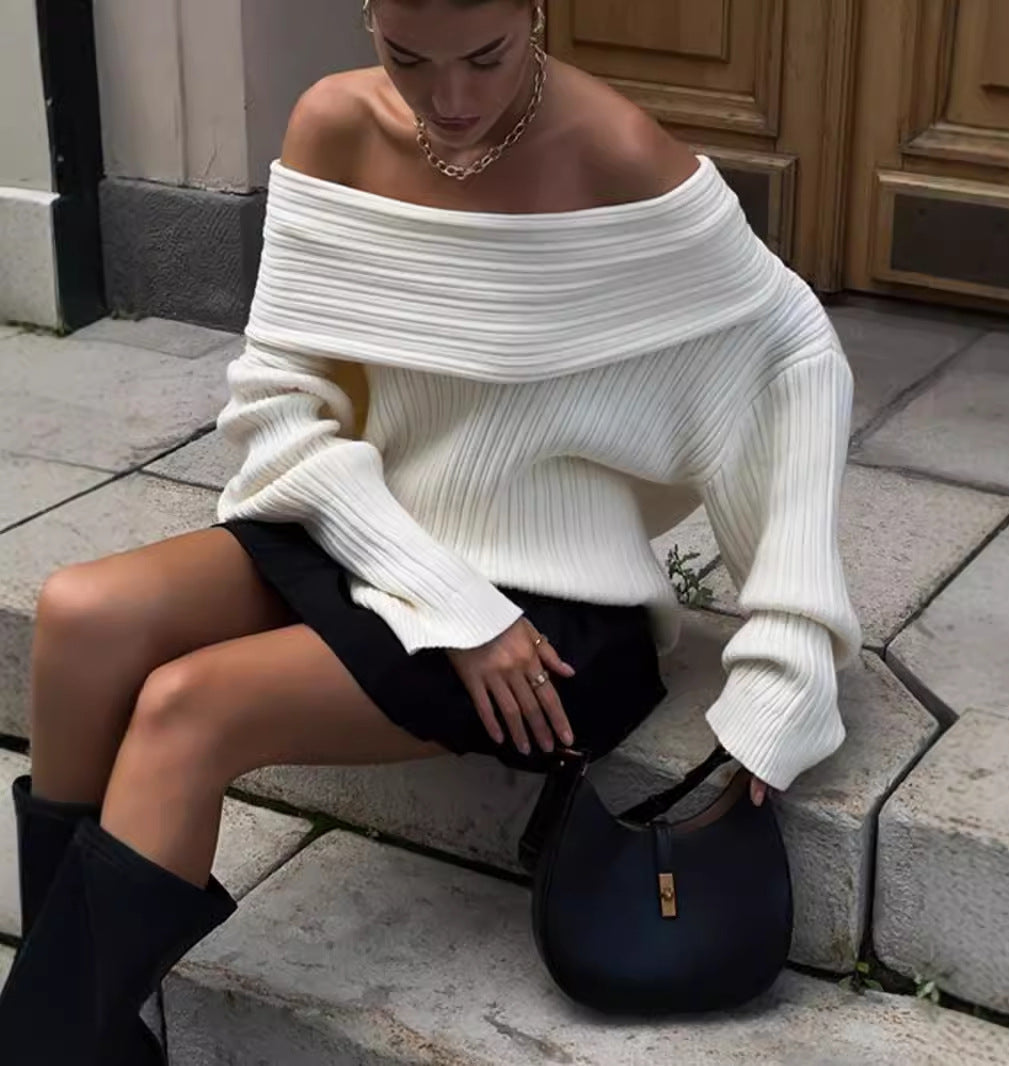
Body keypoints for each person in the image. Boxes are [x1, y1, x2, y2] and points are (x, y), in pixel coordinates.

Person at [0, 0, 862, 1060]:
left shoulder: (616, 150)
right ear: (368, 14)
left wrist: (790, 651)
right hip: (377, 537)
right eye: (406, 56)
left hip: (549, 615)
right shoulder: (333, 125)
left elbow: (793, 353)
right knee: (81, 615)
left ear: (534, 12)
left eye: (486, 56)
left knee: (188, 709)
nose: (449, 100)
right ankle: (73, 1025)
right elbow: (278, 405)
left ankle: (48, 1040)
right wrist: (441, 598)